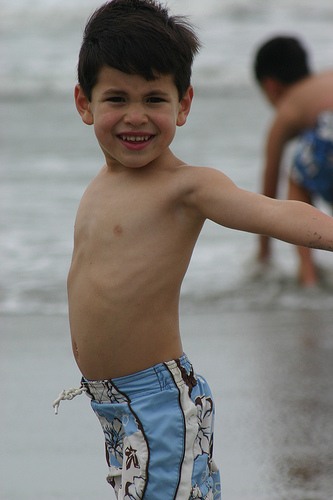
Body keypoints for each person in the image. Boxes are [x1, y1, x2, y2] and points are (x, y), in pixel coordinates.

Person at [53, 3, 333, 498]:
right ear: (84, 104)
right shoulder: (102, 183)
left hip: (157, 403)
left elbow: (275, 211)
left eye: (155, 99)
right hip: (115, 408)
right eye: (116, 98)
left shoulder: (187, 188)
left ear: (183, 105)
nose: (135, 117)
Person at [253, 35, 333, 286]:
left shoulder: (287, 107)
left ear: (271, 87)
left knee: (297, 177)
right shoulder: (327, 78)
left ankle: (307, 275)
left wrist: (263, 253)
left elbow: (269, 185)